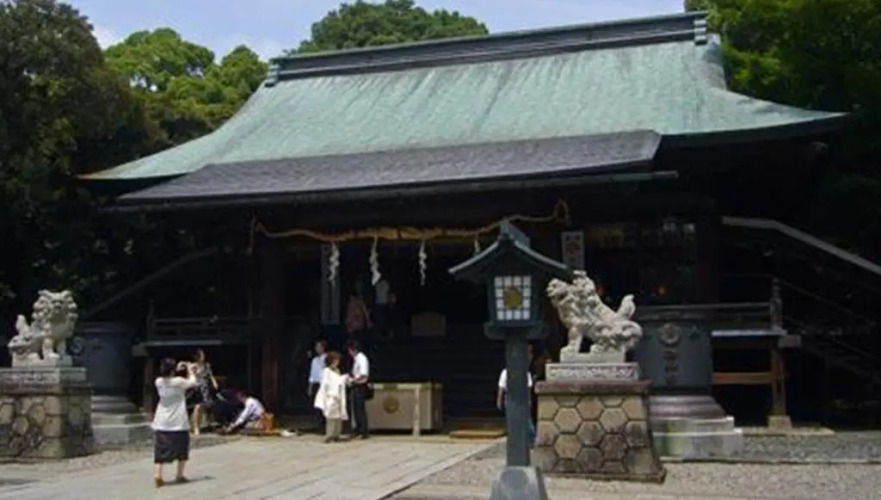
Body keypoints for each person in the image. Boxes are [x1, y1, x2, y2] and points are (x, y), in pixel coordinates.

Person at [152, 358, 198, 488]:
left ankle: (158, 473)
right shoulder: (179, 381)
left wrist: (176, 369)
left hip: (162, 419)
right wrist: (190, 370)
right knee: (182, 447)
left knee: (160, 448)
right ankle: (179, 474)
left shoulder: (158, 381)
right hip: (178, 419)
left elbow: (168, 377)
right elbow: (193, 382)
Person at [496, 349, 536, 446]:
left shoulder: (525, 373)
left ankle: (530, 440)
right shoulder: (506, 372)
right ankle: (514, 441)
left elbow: (528, 388)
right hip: (510, 398)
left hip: (522, 398)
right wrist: (499, 400)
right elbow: (501, 387)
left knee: (527, 421)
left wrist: (529, 400)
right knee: (512, 421)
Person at [313, 350, 348, 443]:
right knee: (331, 417)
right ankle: (330, 435)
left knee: (338, 417)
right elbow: (325, 384)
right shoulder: (326, 371)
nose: (337, 362)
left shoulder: (337, 370)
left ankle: (336, 435)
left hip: (338, 396)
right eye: (336, 360)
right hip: (330, 396)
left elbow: (339, 381)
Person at [189, 349, 218, 435]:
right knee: (197, 407)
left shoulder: (207, 365)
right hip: (197, 388)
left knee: (203, 407)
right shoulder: (193, 366)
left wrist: (214, 382)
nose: (203, 357)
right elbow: (190, 376)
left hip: (205, 387)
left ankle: (199, 425)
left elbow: (211, 375)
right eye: (201, 355)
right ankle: (196, 427)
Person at [346, 340, 370, 439]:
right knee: (355, 409)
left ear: (354, 350)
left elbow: (363, 375)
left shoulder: (362, 359)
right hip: (355, 385)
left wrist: (353, 380)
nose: (349, 353)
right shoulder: (356, 359)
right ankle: (357, 429)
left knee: (360, 409)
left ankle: (363, 431)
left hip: (360, 386)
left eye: (350, 351)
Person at [308, 340, 328, 432]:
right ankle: (319, 425)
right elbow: (312, 375)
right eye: (316, 347)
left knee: (325, 405)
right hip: (316, 384)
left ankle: (325, 425)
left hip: (324, 384)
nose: (317, 349)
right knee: (317, 405)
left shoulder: (327, 358)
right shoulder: (314, 360)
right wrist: (310, 386)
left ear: (323, 348)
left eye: (319, 347)